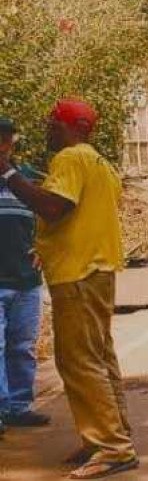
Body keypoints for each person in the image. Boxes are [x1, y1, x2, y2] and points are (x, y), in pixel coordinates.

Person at [0, 99, 136, 479]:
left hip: (79, 275)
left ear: (74, 127)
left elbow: (54, 207)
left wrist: (9, 174)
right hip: (97, 271)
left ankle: (112, 447)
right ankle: (110, 435)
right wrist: (45, 246)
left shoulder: (72, 159)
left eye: (53, 125)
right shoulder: (101, 165)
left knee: (79, 361)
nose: (48, 131)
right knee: (99, 357)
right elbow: (76, 218)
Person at [0, 116, 48, 434]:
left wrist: (45, 248)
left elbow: (51, 215)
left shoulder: (27, 178)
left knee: (22, 346)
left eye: (5, 140)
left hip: (27, 281)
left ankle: (19, 406)